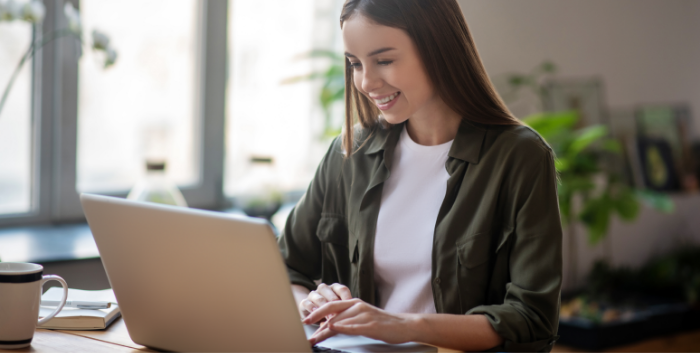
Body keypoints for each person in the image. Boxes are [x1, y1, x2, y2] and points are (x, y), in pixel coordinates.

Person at [277, 0, 563, 352]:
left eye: (384, 60)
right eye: (355, 64)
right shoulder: (349, 153)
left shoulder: (520, 157)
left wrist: (405, 326)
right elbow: (282, 268)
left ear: (438, 49)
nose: (366, 82)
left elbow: (532, 317)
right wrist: (309, 302)